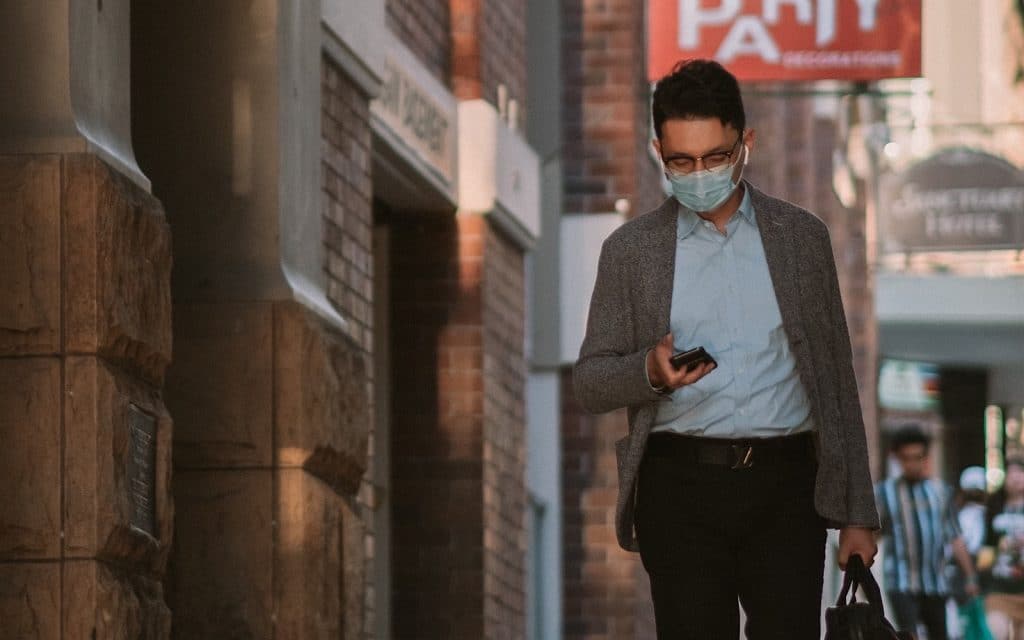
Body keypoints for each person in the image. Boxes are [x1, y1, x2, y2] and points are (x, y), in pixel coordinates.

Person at [572, 59, 879, 640]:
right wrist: (649, 372)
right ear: (658, 150)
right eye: (681, 161)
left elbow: (837, 383)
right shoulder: (632, 252)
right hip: (680, 488)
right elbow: (590, 381)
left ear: (746, 144)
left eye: (716, 156)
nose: (699, 173)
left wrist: (858, 515)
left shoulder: (802, 239)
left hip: (787, 488)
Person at [875, 426, 980, 640]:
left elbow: (955, 538)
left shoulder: (941, 492)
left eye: (918, 457)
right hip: (901, 582)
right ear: (897, 458)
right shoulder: (885, 493)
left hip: (936, 584)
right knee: (908, 635)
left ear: (926, 457)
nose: (913, 464)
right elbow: (872, 537)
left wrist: (970, 576)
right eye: (907, 458)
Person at [982, 457, 1024, 639]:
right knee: (997, 633)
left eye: (1020, 473)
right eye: (1011, 473)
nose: (1015, 478)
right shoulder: (994, 507)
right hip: (999, 587)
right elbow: (986, 548)